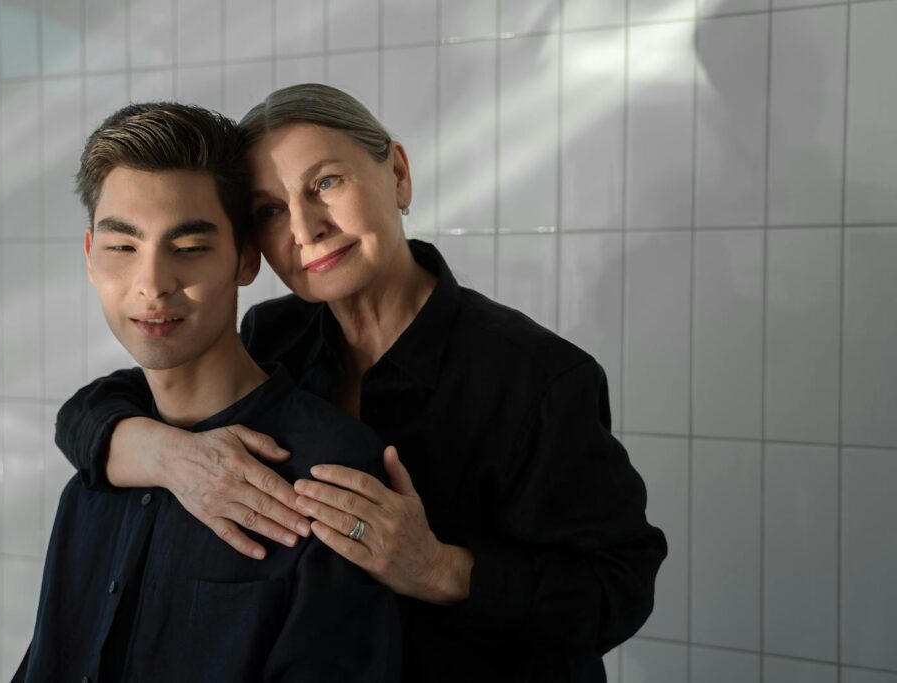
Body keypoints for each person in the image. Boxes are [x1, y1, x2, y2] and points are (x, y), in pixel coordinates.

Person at [54, 84, 667, 681]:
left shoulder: (534, 377)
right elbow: (98, 406)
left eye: (325, 183)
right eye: (270, 209)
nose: (305, 227)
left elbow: (619, 587)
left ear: (397, 173)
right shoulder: (274, 338)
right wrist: (168, 457)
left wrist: (440, 569)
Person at [15, 102, 401, 682]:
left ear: (246, 259)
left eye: (189, 248)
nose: (152, 284)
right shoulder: (97, 469)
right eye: (124, 248)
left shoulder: (330, 477)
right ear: (92, 258)